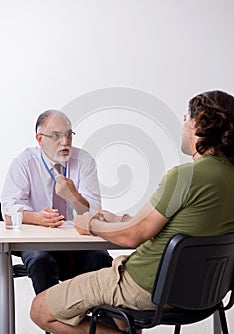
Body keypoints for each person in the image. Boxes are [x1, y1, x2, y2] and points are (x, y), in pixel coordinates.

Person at [30, 90, 234, 334]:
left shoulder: (185, 176)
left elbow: (133, 236)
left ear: (199, 124)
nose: (182, 126)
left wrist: (91, 225)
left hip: (144, 284)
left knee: (40, 309)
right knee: (119, 316)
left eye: (185, 118)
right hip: (202, 291)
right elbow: (167, 224)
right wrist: (118, 219)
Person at [0, 109, 112, 294]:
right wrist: (36, 217)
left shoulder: (84, 161)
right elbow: (8, 211)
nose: (65, 142)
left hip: (77, 241)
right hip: (37, 241)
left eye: (69, 135)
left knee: (101, 260)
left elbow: (95, 214)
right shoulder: (24, 162)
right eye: (56, 136)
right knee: (40, 260)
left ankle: (102, 320)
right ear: (39, 139)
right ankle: (52, 319)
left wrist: (73, 197)